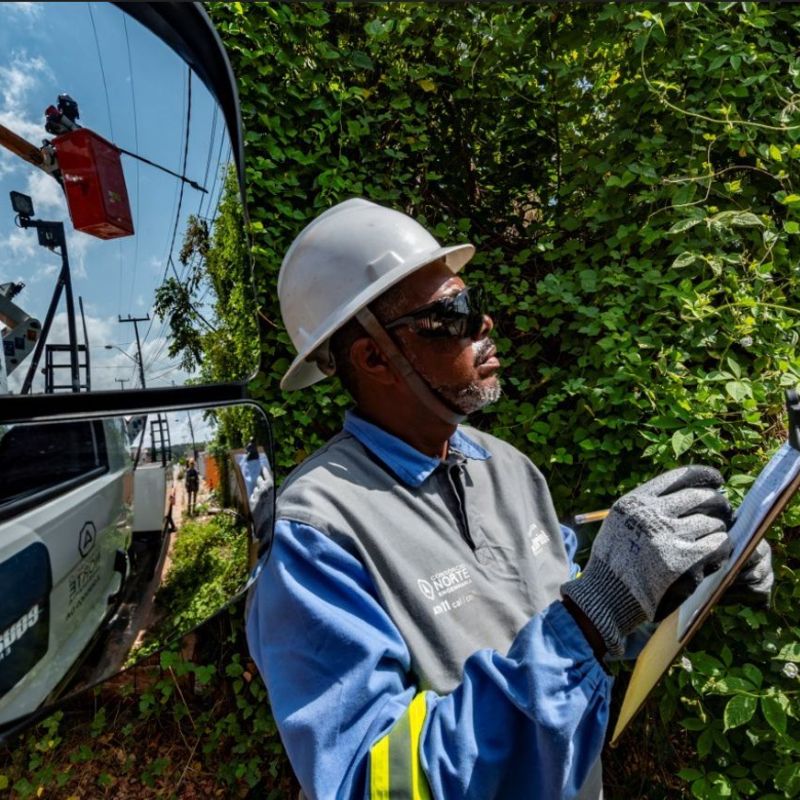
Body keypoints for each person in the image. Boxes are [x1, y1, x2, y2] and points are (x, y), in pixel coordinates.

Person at [246, 199, 773, 800]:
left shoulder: (508, 468)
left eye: (474, 303)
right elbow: (368, 784)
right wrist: (594, 612)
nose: (484, 324)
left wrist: (671, 586)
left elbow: (573, 637)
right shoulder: (315, 533)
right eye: (453, 314)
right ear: (373, 357)